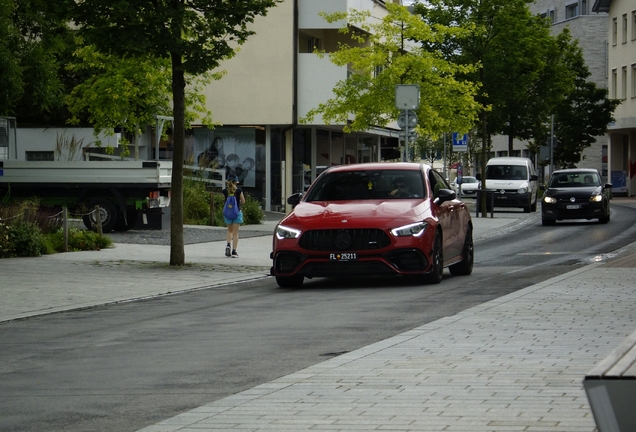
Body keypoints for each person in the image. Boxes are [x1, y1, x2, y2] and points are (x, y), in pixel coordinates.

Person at [222, 175, 246, 258]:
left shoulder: (225, 191)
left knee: (229, 231)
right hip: (237, 213)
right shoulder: (239, 191)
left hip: (228, 214)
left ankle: (228, 244)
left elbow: (224, 202)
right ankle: (234, 251)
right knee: (235, 233)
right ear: (236, 182)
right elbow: (243, 202)